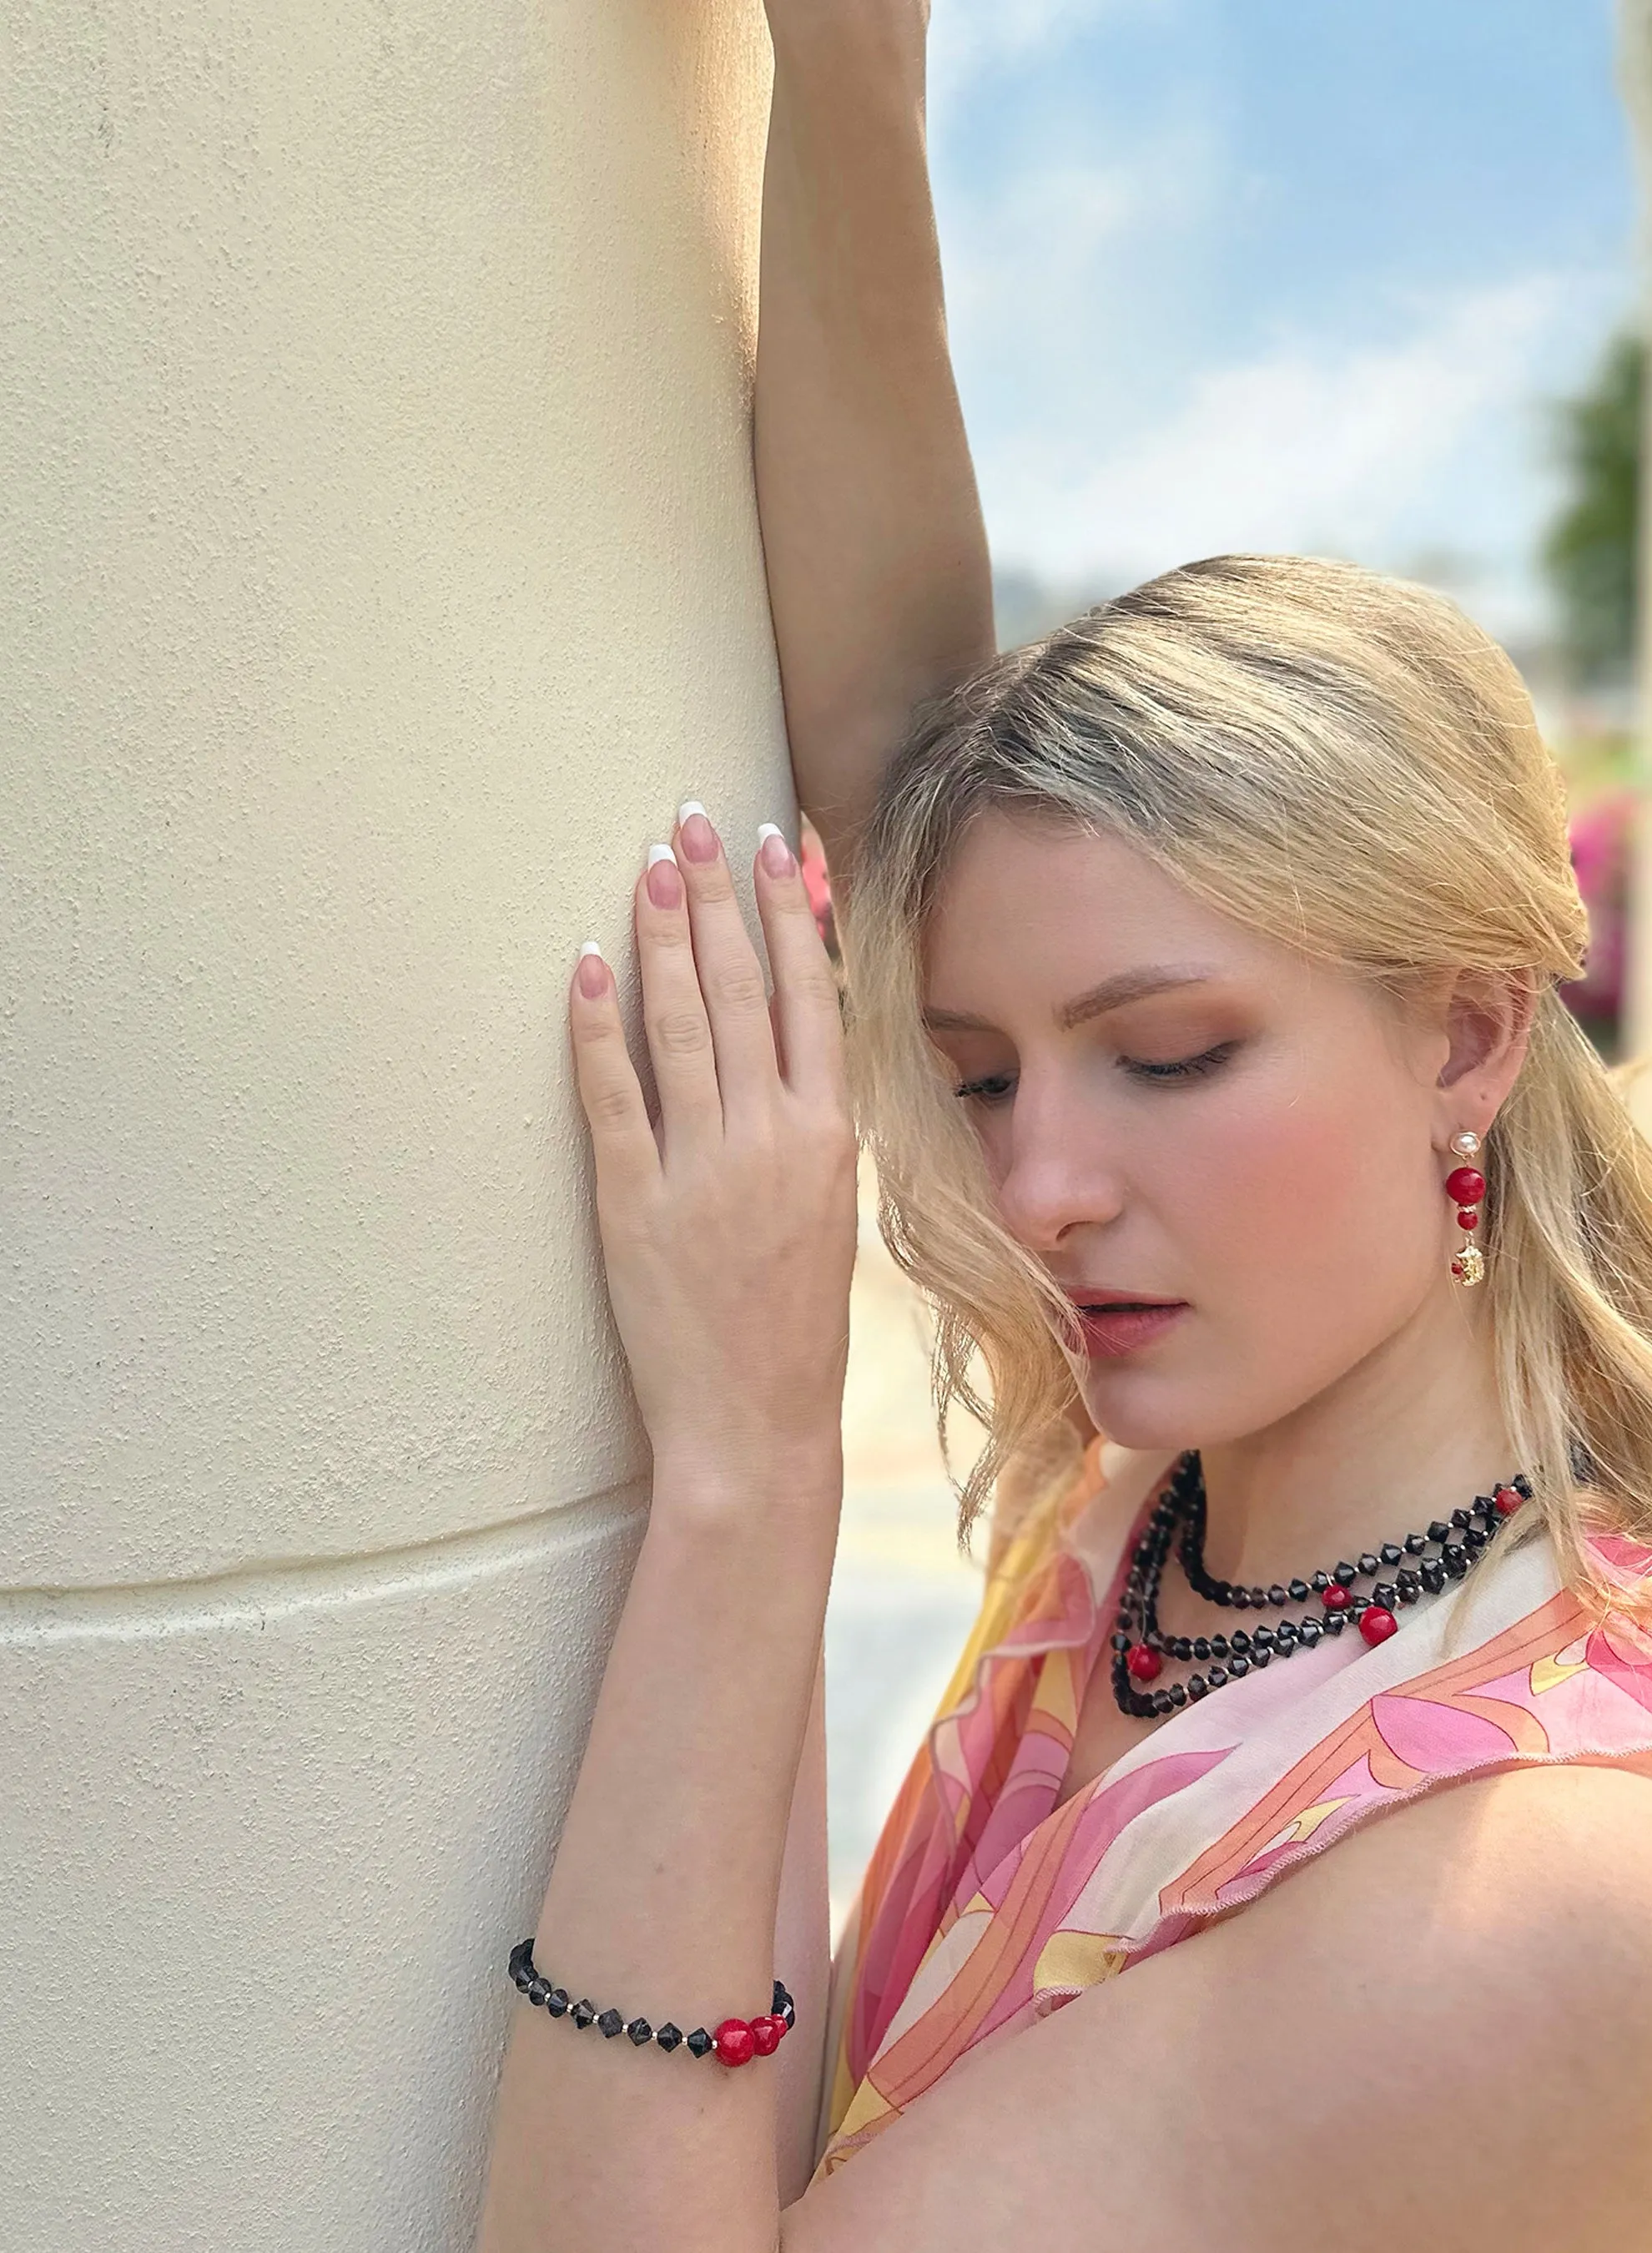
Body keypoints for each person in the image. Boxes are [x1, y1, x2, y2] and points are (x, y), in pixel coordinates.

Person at [475, 7, 1652, 2247]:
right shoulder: (1195, 1484)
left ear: (1471, 1035)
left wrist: (745, 1472)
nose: (1030, 1188)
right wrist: (849, 87)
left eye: (1172, 1051)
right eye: (984, 1069)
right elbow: (894, 749)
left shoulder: (1521, 1896)